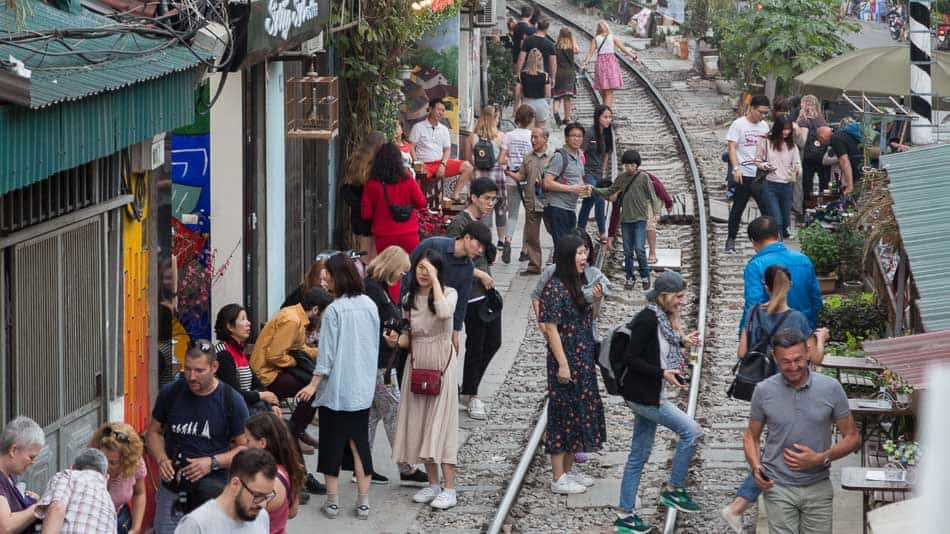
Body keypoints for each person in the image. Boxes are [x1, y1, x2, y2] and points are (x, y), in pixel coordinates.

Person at [720, 266, 830, 532]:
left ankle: (740, 505)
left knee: (771, 448)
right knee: (777, 453)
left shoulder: (755, 311)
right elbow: (815, 359)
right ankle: (737, 506)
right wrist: (820, 338)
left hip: (761, 390)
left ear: (766, 287)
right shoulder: (798, 319)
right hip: (788, 389)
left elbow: (742, 351)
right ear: (789, 285)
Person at [743, 329, 861, 534]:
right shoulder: (763, 390)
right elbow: (751, 436)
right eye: (786, 362)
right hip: (777, 486)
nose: (793, 367)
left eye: (798, 359)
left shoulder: (831, 388)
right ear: (775, 358)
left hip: (818, 486)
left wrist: (821, 458)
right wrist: (755, 467)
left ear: (808, 353)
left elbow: (852, 438)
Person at [614, 271, 703, 533]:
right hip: (644, 396)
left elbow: (659, 345)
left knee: (638, 456)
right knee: (691, 430)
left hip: (647, 393)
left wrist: (683, 341)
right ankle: (673, 489)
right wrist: (661, 373)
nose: (682, 301)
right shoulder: (647, 319)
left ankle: (625, 516)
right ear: (664, 296)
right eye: (679, 296)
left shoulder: (660, 318)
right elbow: (632, 358)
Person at [292, 254, 379, 520]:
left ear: (338, 277)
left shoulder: (334, 311)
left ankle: (333, 502)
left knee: (331, 444)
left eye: (327, 276)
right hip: (362, 388)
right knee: (359, 445)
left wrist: (313, 384)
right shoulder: (370, 305)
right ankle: (363, 502)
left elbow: (326, 356)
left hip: (336, 391)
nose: (324, 280)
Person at [146, 341, 250, 534]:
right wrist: (161, 460)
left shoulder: (232, 400)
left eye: (199, 371)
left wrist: (212, 463)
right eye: (188, 369)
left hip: (213, 492)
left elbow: (245, 450)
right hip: (172, 491)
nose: (192, 377)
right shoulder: (172, 392)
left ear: (214, 367)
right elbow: (153, 432)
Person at [392, 249, 461, 510]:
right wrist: (394, 341)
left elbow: (444, 313)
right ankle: (433, 484)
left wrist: (434, 282)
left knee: (441, 424)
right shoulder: (408, 298)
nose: (423, 272)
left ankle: (450, 488)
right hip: (417, 363)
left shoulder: (449, 294)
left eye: (429, 268)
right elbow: (409, 336)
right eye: (420, 267)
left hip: (442, 363)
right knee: (421, 423)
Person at [538, 234, 606, 495]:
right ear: (567, 256)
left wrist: (597, 300)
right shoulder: (555, 287)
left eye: (585, 252)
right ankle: (558, 476)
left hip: (583, 357)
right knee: (561, 416)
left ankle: (567, 471)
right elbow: (551, 329)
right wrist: (563, 364)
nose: (584, 257)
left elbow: (591, 318)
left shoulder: (578, 283)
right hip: (566, 359)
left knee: (577, 415)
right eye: (579, 253)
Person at [362, 247, 430, 486]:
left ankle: (362, 465)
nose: (402, 276)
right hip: (382, 363)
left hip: (380, 361)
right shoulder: (374, 290)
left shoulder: (374, 287)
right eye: (401, 271)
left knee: (373, 415)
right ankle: (406, 466)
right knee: (395, 413)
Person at [250, 289, 333, 454]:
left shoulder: (294, 314)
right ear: (315, 310)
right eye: (324, 313)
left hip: (274, 369)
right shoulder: (293, 321)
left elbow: (298, 347)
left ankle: (298, 430)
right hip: (267, 375)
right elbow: (275, 355)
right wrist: (296, 362)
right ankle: (293, 433)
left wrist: (319, 352)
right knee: (313, 388)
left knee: (313, 384)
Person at [445, 177, 502, 420]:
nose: (491, 203)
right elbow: (452, 257)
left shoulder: (482, 222)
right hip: (467, 295)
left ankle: (469, 388)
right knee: (476, 345)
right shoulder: (459, 223)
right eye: (487, 198)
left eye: (493, 199)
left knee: (493, 341)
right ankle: (471, 394)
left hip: (483, 293)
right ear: (474, 197)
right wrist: (477, 272)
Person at [400, 222, 492, 355]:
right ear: (467, 238)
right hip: (416, 309)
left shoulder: (468, 267)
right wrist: (403, 307)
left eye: (483, 248)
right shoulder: (433, 245)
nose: (480, 251)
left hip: (440, 316)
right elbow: (409, 272)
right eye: (479, 245)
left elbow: (462, 300)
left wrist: (456, 331)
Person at [741, 216, 823, 333]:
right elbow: (816, 299)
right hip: (803, 332)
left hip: (772, 335)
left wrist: (745, 334)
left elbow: (754, 305)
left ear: (753, 242)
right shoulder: (803, 260)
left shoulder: (755, 266)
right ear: (778, 236)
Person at [593, 149, 660, 290]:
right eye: (627, 165)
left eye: (632, 165)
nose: (629, 168)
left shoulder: (643, 177)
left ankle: (645, 276)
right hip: (626, 220)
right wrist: (594, 190)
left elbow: (653, 195)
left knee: (640, 249)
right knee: (628, 251)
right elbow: (610, 191)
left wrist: (656, 212)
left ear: (637, 165)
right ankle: (630, 277)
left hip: (640, 219)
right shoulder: (621, 178)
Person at [174, 448, 275, 533]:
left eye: (267, 496)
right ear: (235, 485)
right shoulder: (196, 524)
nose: (263, 505)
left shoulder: (262, 517)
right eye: (257, 496)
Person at [361, 142, 428, 257]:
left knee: (388, 272)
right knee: (409, 271)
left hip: (384, 237)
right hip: (409, 235)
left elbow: (366, 214)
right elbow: (422, 203)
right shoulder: (408, 180)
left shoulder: (372, 184)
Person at [214, 304, 281, 417]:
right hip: (232, 412)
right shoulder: (223, 353)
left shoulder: (238, 350)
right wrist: (261, 396)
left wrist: (272, 402)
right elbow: (233, 393)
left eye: (247, 319)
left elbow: (256, 383)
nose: (248, 323)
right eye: (243, 319)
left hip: (247, 406)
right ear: (230, 326)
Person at [242, 413, 305, 534]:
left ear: (262, 443)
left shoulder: (265, 481)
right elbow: (292, 512)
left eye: (248, 439)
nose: (244, 444)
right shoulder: (290, 468)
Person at [725, 95, 771, 253]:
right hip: (743, 172)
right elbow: (731, 147)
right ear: (751, 108)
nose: (763, 116)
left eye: (766, 113)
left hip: (760, 174)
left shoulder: (764, 126)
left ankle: (769, 241)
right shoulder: (739, 124)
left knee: (766, 209)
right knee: (738, 208)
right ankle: (731, 239)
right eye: (760, 112)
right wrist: (735, 168)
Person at [34, 448, 116, 533]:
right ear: (106, 477)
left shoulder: (68, 476)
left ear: (72, 468)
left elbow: (57, 508)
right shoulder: (111, 506)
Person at [409, 98, 475, 201]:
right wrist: (417, 162)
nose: (441, 113)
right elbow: (411, 146)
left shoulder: (444, 129)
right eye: (438, 109)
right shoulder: (418, 127)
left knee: (468, 167)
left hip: (440, 163)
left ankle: (455, 195)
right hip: (424, 164)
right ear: (430, 109)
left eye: (443, 110)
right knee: (418, 185)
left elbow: (447, 150)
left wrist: (443, 164)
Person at [465, 106, 509, 258]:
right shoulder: (501, 136)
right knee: (500, 208)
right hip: (497, 176)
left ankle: (485, 239)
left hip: (479, 176)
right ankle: (502, 240)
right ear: (495, 118)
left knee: (482, 209)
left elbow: (468, 159)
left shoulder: (472, 137)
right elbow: (502, 159)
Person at [89, 422, 147, 534]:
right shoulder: (87, 464)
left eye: (113, 462)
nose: (104, 465)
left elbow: (139, 493)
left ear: (127, 461)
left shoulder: (135, 464)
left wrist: (135, 528)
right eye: (102, 458)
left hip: (120, 520)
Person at [340, 131, 387, 263]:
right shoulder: (377, 165)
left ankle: (363, 274)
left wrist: (358, 205)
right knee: (374, 252)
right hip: (372, 212)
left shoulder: (354, 160)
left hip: (358, 213)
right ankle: (368, 278)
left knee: (364, 249)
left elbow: (345, 187)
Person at [499, 105, 536, 262]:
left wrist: (508, 167)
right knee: (529, 216)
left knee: (512, 214)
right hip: (527, 180)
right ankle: (524, 250)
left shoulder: (508, 136)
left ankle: (507, 240)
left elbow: (501, 159)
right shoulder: (532, 136)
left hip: (511, 178)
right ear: (531, 119)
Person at [543, 122, 591, 243]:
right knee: (562, 245)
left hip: (570, 207)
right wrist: (572, 189)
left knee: (568, 246)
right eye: (573, 136)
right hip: (557, 207)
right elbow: (547, 183)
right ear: (566, 138)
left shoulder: (580, 156)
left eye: (579, 136)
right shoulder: (560, 157)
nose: (576, 139)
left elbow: (578, 178)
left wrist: (584, 188)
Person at [511, 126, 550, 274]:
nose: (533, 140)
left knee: (555, 233)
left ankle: (559, 263)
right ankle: (534, 265)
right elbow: (521, 176)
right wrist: (508, 172)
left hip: (548, 202)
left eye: (536, 137)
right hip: (531, 202)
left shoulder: (553, 157)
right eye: (532, 137)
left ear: (545, 139)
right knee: (532, 236)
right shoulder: (528, 157)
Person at [756, 116, 801, 240]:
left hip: (786, 185)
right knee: (777, 219)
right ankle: (779, 243)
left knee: (786, 218)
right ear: (777, 129)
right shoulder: (766, 143)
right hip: (770, 184)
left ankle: (783, 234)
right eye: (783, 129)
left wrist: (796, 170)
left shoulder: (792, 146)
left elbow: (797, 163)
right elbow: (757, 160)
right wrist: (765, 165)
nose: (786, 132)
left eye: (788, 129)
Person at [0, 416, 45, 534]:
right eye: (31, 457)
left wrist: (26, 500)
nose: (33, 462)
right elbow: (5, 527)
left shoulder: (9, 475)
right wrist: (38, 507)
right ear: (13, 450)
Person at [581, 20, 640, 107]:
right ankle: (607, 111)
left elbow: (590, 53)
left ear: (598, 29)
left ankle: (605, 110)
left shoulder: (596, 39)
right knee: (609, 91)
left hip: (600, 64)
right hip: (611, 64)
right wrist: (635, 57)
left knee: (604, 89)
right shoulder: (613, 37)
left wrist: (585, 64)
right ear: (607, 27)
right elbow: (624, 49)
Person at [577, 105, 613, 243]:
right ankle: (603, 232)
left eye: (610, 117)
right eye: (605, 117)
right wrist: (580, 174)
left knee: (588, 202)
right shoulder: (590, 133)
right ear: (598, 117)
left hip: (598, 174)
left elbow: (606, 155)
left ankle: (580, 230)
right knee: (599, 198)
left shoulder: (607, 134)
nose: (608, 120)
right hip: (587, 172)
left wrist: (602, 173)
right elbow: (580, 152)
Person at [795, 95, 830, 209]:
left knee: (807, 184)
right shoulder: (822, 119)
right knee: (824, 185)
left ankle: (807, 209)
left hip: (808, 157)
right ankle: (824, 207)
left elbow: (802, 142)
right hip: (822, 157)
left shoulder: (803, 120)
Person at [516, 48, 552, 126]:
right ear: (541, 60)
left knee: (526, 128)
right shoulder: (545, 76)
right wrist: (548, 106)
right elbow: (548, 94)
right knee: (540, 129)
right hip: (541, 103)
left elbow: (517, 93)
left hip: (527, 103)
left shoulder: (521, 75)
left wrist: (516, 106)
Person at [552, 27, 579, 125]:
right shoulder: (571, 47)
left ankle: (555, 111)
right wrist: (573, 38)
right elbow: (577, 50)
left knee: (557, 96)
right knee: (567, 97)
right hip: (569, 74)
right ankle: (567, 118)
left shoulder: (555, 47)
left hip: (558, 73)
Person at [829, 119, 863, 196]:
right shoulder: (857, 135)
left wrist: (849, 186)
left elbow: (844, 161)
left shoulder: (837, 138)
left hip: (856, 172)